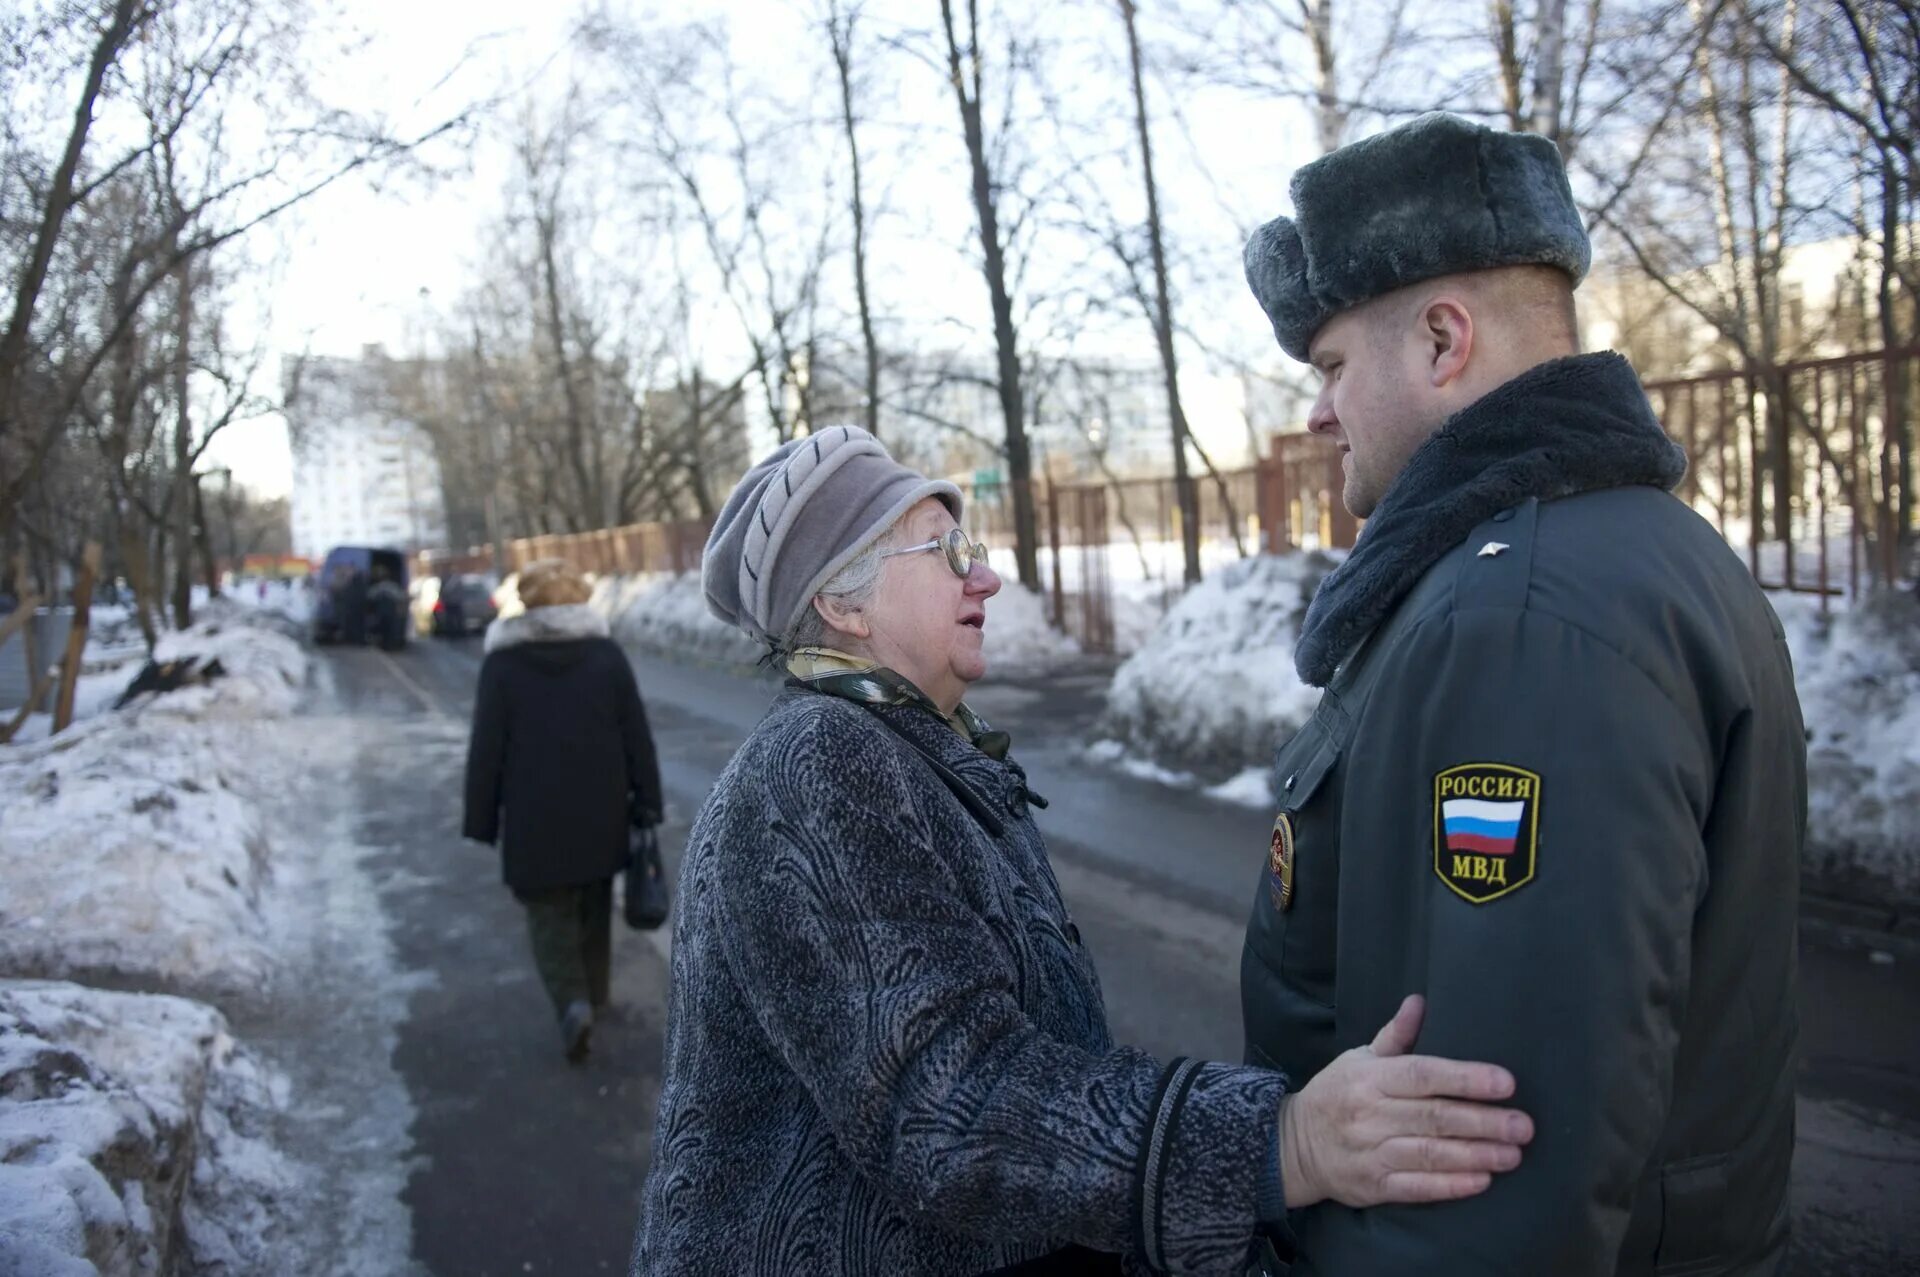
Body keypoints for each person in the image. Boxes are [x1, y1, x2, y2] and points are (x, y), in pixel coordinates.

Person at [631, 426, 1535, 1276]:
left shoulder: (914, 748)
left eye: (971, 547)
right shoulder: (818, 761)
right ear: (840, 603)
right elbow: (952, 1109)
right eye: (946, 553)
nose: (982, 577)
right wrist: (1283, 1143)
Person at [1237, 112, 1805, 1274]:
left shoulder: (1525, 615)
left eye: (1335, 364)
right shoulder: (1620, 553)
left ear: (1444, 340)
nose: (1317, 411)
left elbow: (1492, 1154)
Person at [463, 560, 662, 1060]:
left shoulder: (503, 665)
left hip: (533, 816)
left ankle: (571, 1002)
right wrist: (648, 800)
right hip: (602, 809)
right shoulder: (605, 656)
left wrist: (481, 819)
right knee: (595, 905)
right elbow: (635, 734)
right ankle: (595, 994)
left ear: (527, 604)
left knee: (549, 914)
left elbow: (487, 747)